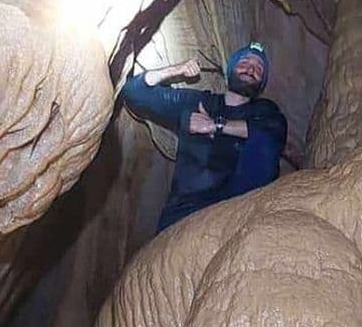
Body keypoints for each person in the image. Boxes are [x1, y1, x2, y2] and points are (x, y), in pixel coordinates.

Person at [123, 41, 287, 232]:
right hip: (185, 211)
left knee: (264, 141)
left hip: (236, 205)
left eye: (259, 68)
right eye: (245, 62)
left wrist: (216, 125)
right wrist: (175, 71)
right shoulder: (198, 102)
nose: (251, 69)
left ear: (262, 82)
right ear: (231, 68)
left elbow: (274, 132)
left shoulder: (264, 112)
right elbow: (134, 93)